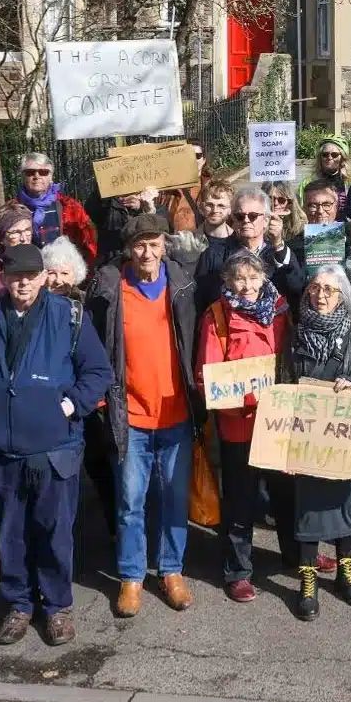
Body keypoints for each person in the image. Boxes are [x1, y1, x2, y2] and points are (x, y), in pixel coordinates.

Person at [0, 244, 113, 646]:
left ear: (44, 277)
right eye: (15, 276)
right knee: (10, 535)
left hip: (54, 448)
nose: (23, 283)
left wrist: (68, 406)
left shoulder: (69, 316)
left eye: (31, 275)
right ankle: (19, 604)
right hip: (1, 452)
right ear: (4, 278)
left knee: (53, 532)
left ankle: (57, 606)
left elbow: (98, 372)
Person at [87, 215, 205, 619]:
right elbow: (96, 349)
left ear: (165, 245)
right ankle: (132, 576)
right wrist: (102, 400)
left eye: (154, 244)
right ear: (128, 249)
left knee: (173, 498)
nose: (147, 253)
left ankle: (171, 570)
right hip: (130, 415)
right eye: (139, 245)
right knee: (130, 501)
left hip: (176, 413)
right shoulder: (110, 289)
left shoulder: (183, 286)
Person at [283, 264, 351, 620]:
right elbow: (284, 382)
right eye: (315, 288)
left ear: (343, 295)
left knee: (346, 505)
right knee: (308, 510)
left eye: (329, 289)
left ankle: (345, 572)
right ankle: (308, 580)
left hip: (344, 438)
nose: (320, 295)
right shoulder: (295, 333)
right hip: (308, 437)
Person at [194, 251, 294, 603]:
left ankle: (298, 557)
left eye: (253, 277)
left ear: (264, 277)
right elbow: (207, 377)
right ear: (227, 281)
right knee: (240, 501)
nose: (247, 285)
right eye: (239, 278)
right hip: (239, 424)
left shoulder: (280, 308)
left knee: (286, 495)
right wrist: (248, 399)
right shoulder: (217, 315)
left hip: (279, 421)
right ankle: (238, 571)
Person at [41, 237, 117, 538]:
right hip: (53, 402)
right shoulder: (36, 308)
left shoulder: (88, 306)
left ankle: (113, 528)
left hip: (88, 400)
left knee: (99, 465)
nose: (58, 280)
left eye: (64, 272)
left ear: (76, 275)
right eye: (51, 272)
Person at [194, 185, 305, 313]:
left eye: (253, 216)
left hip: (273, 323)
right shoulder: (214, 253)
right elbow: (203, 300)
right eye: (240, 216)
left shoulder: (277, 252)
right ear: (233, 219)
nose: (246, 220)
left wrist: (278, 245)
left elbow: (296, 287)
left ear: (266, 220)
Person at [0, 153, 97, 267]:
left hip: (59, 271)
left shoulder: (69, 206)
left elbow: (88, 242)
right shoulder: (10, 210)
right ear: (23, 176)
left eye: (43, 172)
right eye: (30, 172)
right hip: (23, 271)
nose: (37, 176)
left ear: (51, 177)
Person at [85, 190, 166, 268]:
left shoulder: (154, 201)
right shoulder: (106, 204)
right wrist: (104, 195)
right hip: (112, 263)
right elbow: (91, 211)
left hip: (145, 263)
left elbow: (163, 227)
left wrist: (144, 209)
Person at [0, 203, 34, 305]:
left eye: (27, 230)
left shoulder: (42, 261)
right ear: (1, 238)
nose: (23, 238)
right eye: (15, 232)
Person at [157, 142, 208, 233]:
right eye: (188, 155)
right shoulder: (168, 188)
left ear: (204, 160)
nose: (192, 159)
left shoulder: (210, 186)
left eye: (197, 155)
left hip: (199, 238)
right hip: (172, 238)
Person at [308, 137, 351, 214]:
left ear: (342, 158)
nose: (329, 158)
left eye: (334, 155)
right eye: (325, 154)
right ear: (320, 158)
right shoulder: (308, 182)